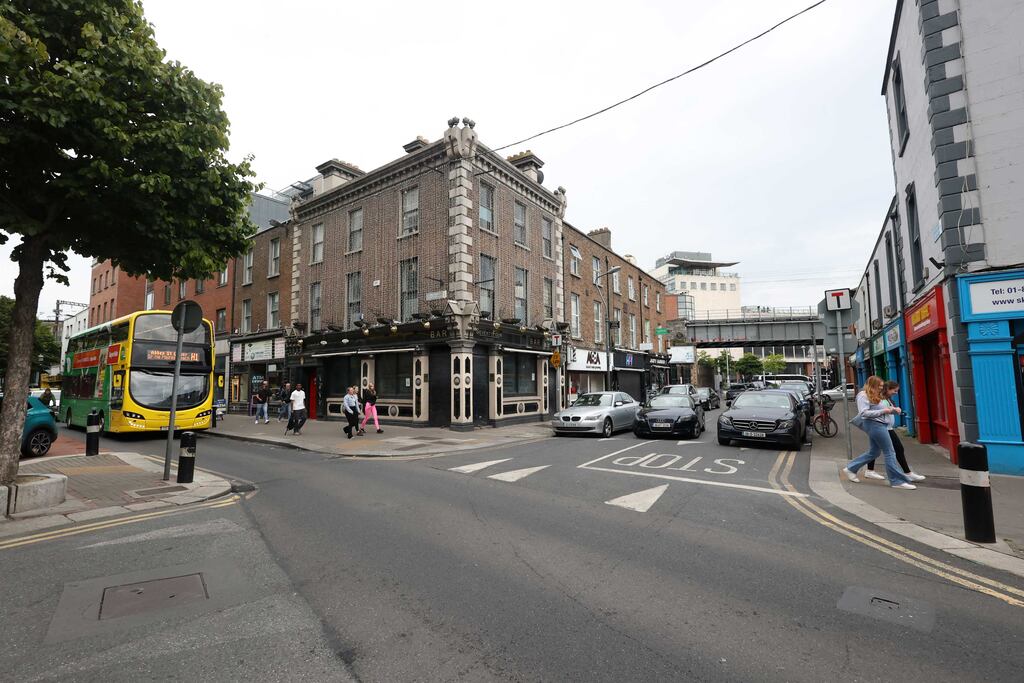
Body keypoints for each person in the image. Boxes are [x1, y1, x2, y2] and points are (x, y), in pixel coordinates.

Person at [841, 376, 916, 490]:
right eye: (880, 386)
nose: (881, 388)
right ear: (872, 385)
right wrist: (885, 411)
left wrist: (893, 410)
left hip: (880, 425)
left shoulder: (875, 395)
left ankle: (851, 468)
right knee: (890, 452)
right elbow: (864, 413)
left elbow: (879, 409)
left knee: (874, 452)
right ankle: (896, 481)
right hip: (875, 425)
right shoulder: (863, 395)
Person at [864, 380, 925, 482]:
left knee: (874, 451)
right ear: (888, 389)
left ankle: (868, 470)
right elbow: (879, 411)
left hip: (887, 428)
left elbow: (887, 411)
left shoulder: (887, 399)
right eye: (894, 391)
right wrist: (893, 410)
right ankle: (905, 473)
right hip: (883, 428)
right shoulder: (880, 399)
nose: (896, 393)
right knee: (897, 449)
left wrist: (895, 409)